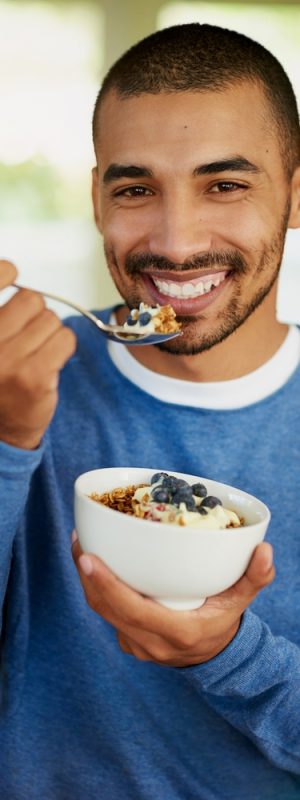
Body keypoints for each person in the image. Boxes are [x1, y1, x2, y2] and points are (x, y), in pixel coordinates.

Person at [0, 21, 300, 800]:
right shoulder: (18, 381)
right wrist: (7, 439)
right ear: (98, 199)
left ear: (296, 195)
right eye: (136, 189)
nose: (175, 242)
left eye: (225, 185)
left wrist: (227, 654)